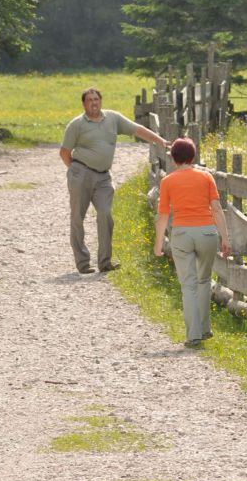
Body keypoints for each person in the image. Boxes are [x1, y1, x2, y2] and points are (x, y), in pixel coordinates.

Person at [60, 87, 169, 273]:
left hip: (103, 177)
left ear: (101, 101)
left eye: (96, 99)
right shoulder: (76, 125)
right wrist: (77, 171)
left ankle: (104, 262)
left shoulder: (113, 118)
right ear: (84, 104)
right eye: (90, 100)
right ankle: (83, 263)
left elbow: (138, 130)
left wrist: (161, 141)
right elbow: (64, 153)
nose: (94, 102)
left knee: (105, 214)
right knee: (77, 217)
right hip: (81, 174)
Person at [153, 137, 231, 347]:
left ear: (173, 159)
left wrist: (159, 243)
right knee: (204, 281)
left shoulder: (167, 181)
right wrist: (225, 237)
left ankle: (193, 334)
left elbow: (163, 216)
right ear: (193, 156)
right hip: (207, 233)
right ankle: (205, 329)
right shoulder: (206, 177)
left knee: (188, 285)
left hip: (182, 234)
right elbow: (216, 208)